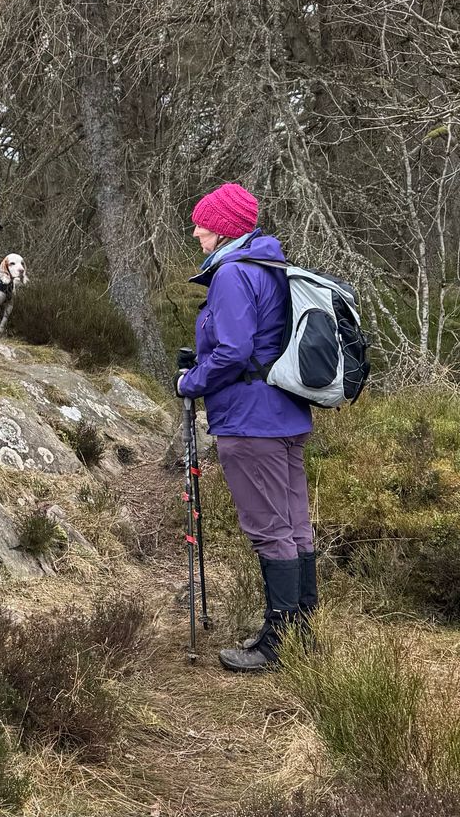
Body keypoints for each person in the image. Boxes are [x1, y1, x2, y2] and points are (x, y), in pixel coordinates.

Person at [174, 183, 316, 674]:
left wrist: (190, 380)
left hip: (251, 421)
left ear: (226, 228)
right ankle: (303, 636)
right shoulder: (271, 266)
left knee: (270, 529)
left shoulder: (233, 274)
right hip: (287, 413)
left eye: (203, 224)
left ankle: (277, 646)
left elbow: (233, 351)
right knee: (295, 525)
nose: (196, 232)